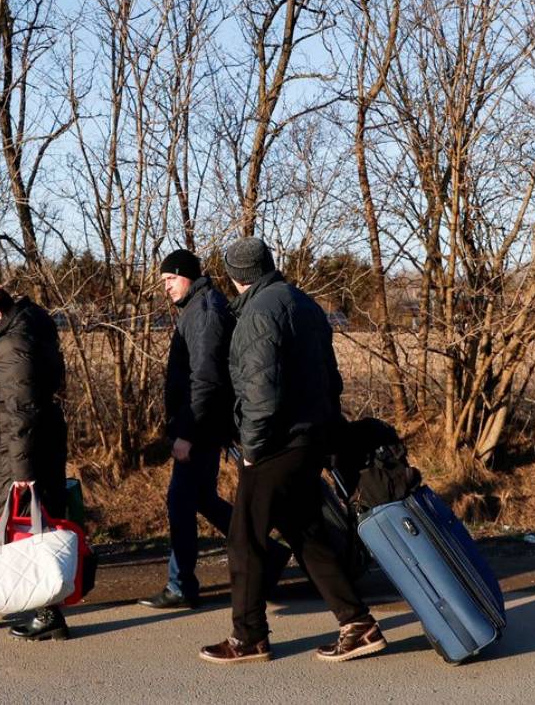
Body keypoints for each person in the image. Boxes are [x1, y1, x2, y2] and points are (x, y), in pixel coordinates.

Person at [200, 237, 385, 665]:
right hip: (313, 437)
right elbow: (331, 377)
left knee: (245, 539)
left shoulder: (258, 314)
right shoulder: (304, 304)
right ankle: (358, 624)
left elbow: (260, 391)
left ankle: (249, 638)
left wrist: (252, 447)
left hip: (277, 444)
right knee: (306, 533)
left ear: (236, 276)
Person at [139, 249, 288, 610]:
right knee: (201, 498)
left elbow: (205, 379)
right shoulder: (197, 307)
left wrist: (187, 433)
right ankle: (267, 554)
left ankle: (181, 585)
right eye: (163, 281)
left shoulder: (204, 312)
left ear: (188, 275)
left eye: (171, 279)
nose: (167, 286)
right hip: (202, 423)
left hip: (201, 426)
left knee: (180, 501)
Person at [0, 285, 70, 641]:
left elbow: (22, 409)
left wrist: (23, 472)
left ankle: (50, 614)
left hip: (14, 452)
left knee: (29, 531)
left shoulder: (13, 344)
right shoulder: (12, 338)